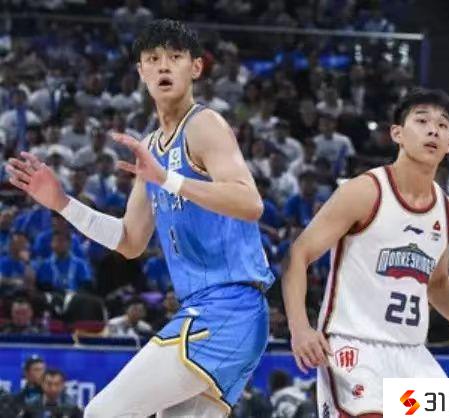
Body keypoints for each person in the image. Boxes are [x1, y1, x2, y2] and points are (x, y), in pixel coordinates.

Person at [6, 20, 274, 417]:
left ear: (195, 67)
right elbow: (130, 241)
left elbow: (250, 202)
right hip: (223, 314)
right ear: (141, 71)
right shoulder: (150, 147)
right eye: (153, 59)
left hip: (227, 307)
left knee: (102, 413)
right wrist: (63, 203)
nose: (163, 66)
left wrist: (167, 179)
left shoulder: (204, 125)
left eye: (175, 57)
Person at [281, 88, 449, 417]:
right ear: (397, 133)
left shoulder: (448, 210)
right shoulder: (365, 191)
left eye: (442, 125)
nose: (433, 130)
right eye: (422, 121)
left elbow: (437, 283)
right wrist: (300, 328)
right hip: (353, 344)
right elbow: (298, 254)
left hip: (411, 352)